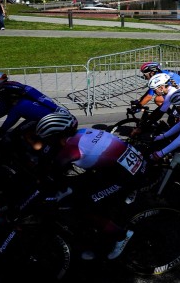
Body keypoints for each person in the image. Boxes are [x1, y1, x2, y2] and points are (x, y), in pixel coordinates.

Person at [33, 111, 144, 261]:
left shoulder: (71, 149)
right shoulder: (83, 132)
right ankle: (99, 225)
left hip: (125, 176)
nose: (47, 143)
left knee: (83, 207)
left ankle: (121, 235)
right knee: (76, 187)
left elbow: (52, 173)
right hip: (126, 165)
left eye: (48, 139)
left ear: (56, 137)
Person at [0, 72, 69, 136]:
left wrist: (1, 131)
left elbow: (12, 116)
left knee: (14, 136)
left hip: (45, 118)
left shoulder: (16, 101)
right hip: (42, 117)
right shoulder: (6, 97)